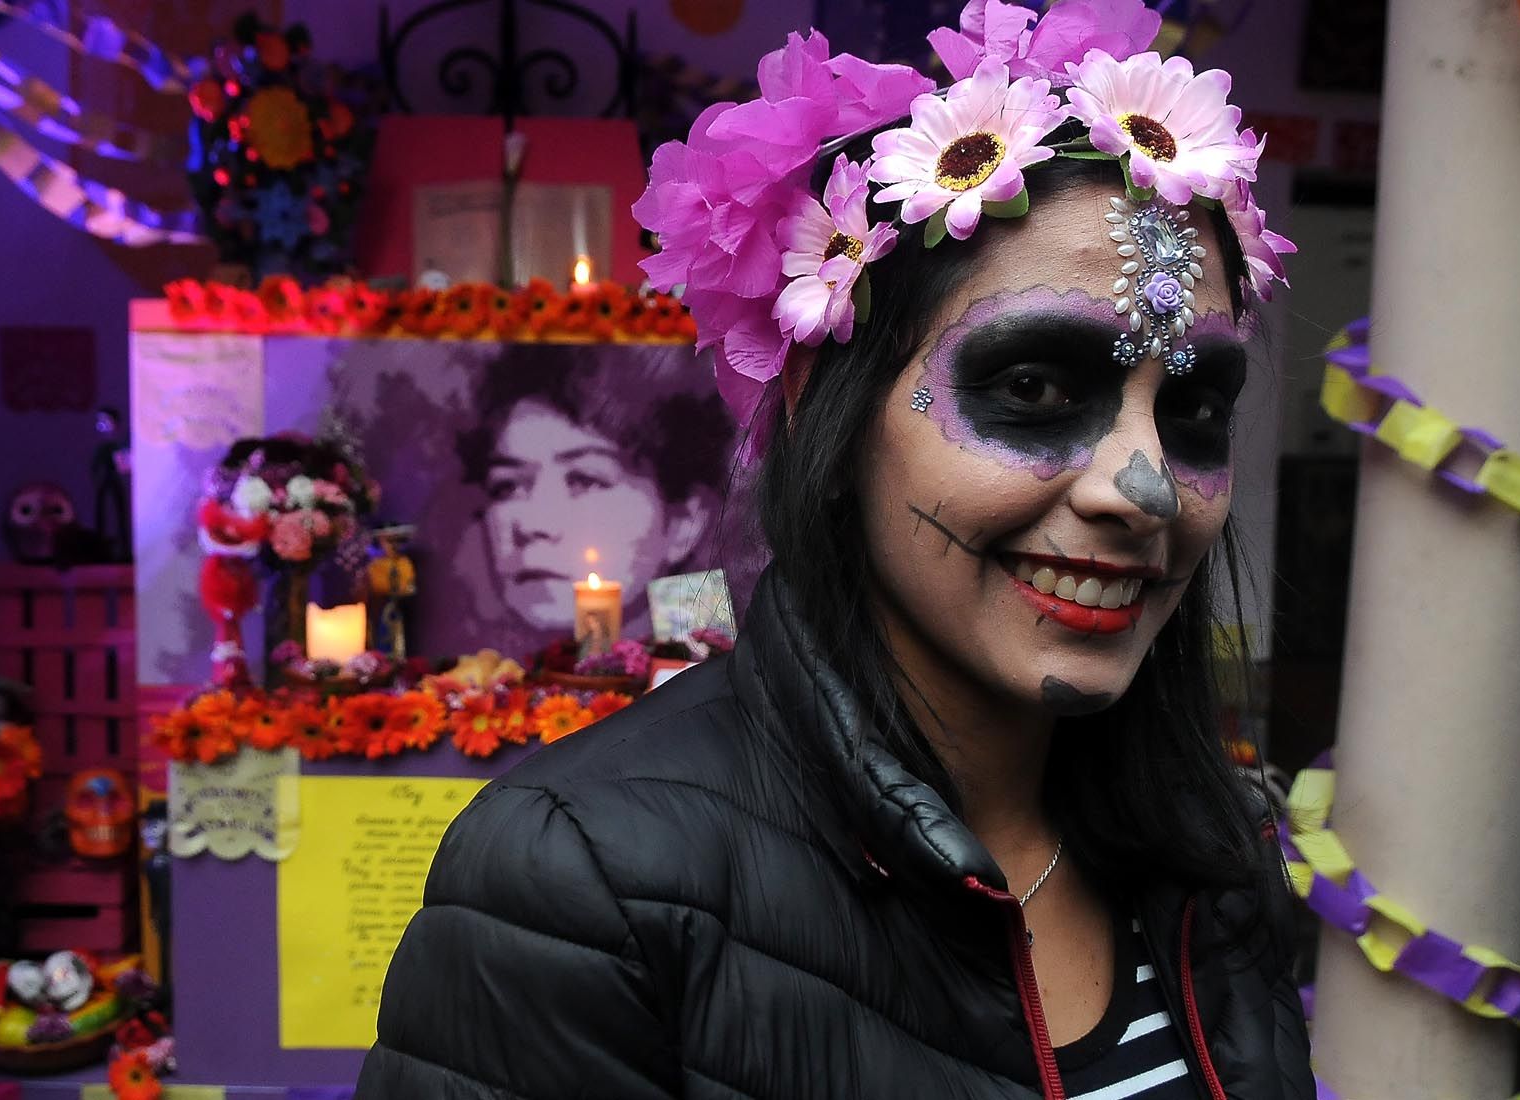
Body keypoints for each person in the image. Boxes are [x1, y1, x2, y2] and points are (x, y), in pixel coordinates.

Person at [357, 2, 1312, 1097]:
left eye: (1190, 413)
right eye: (1036, 389)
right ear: (824, 409)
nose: (1141, 487)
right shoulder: (583, 887)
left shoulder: (1214, 850)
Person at [455, 342, 730, 638]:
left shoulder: (705, 667)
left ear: (685, 521)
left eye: (584, 480)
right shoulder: (477, 671)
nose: (533, 525)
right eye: (507, 486)